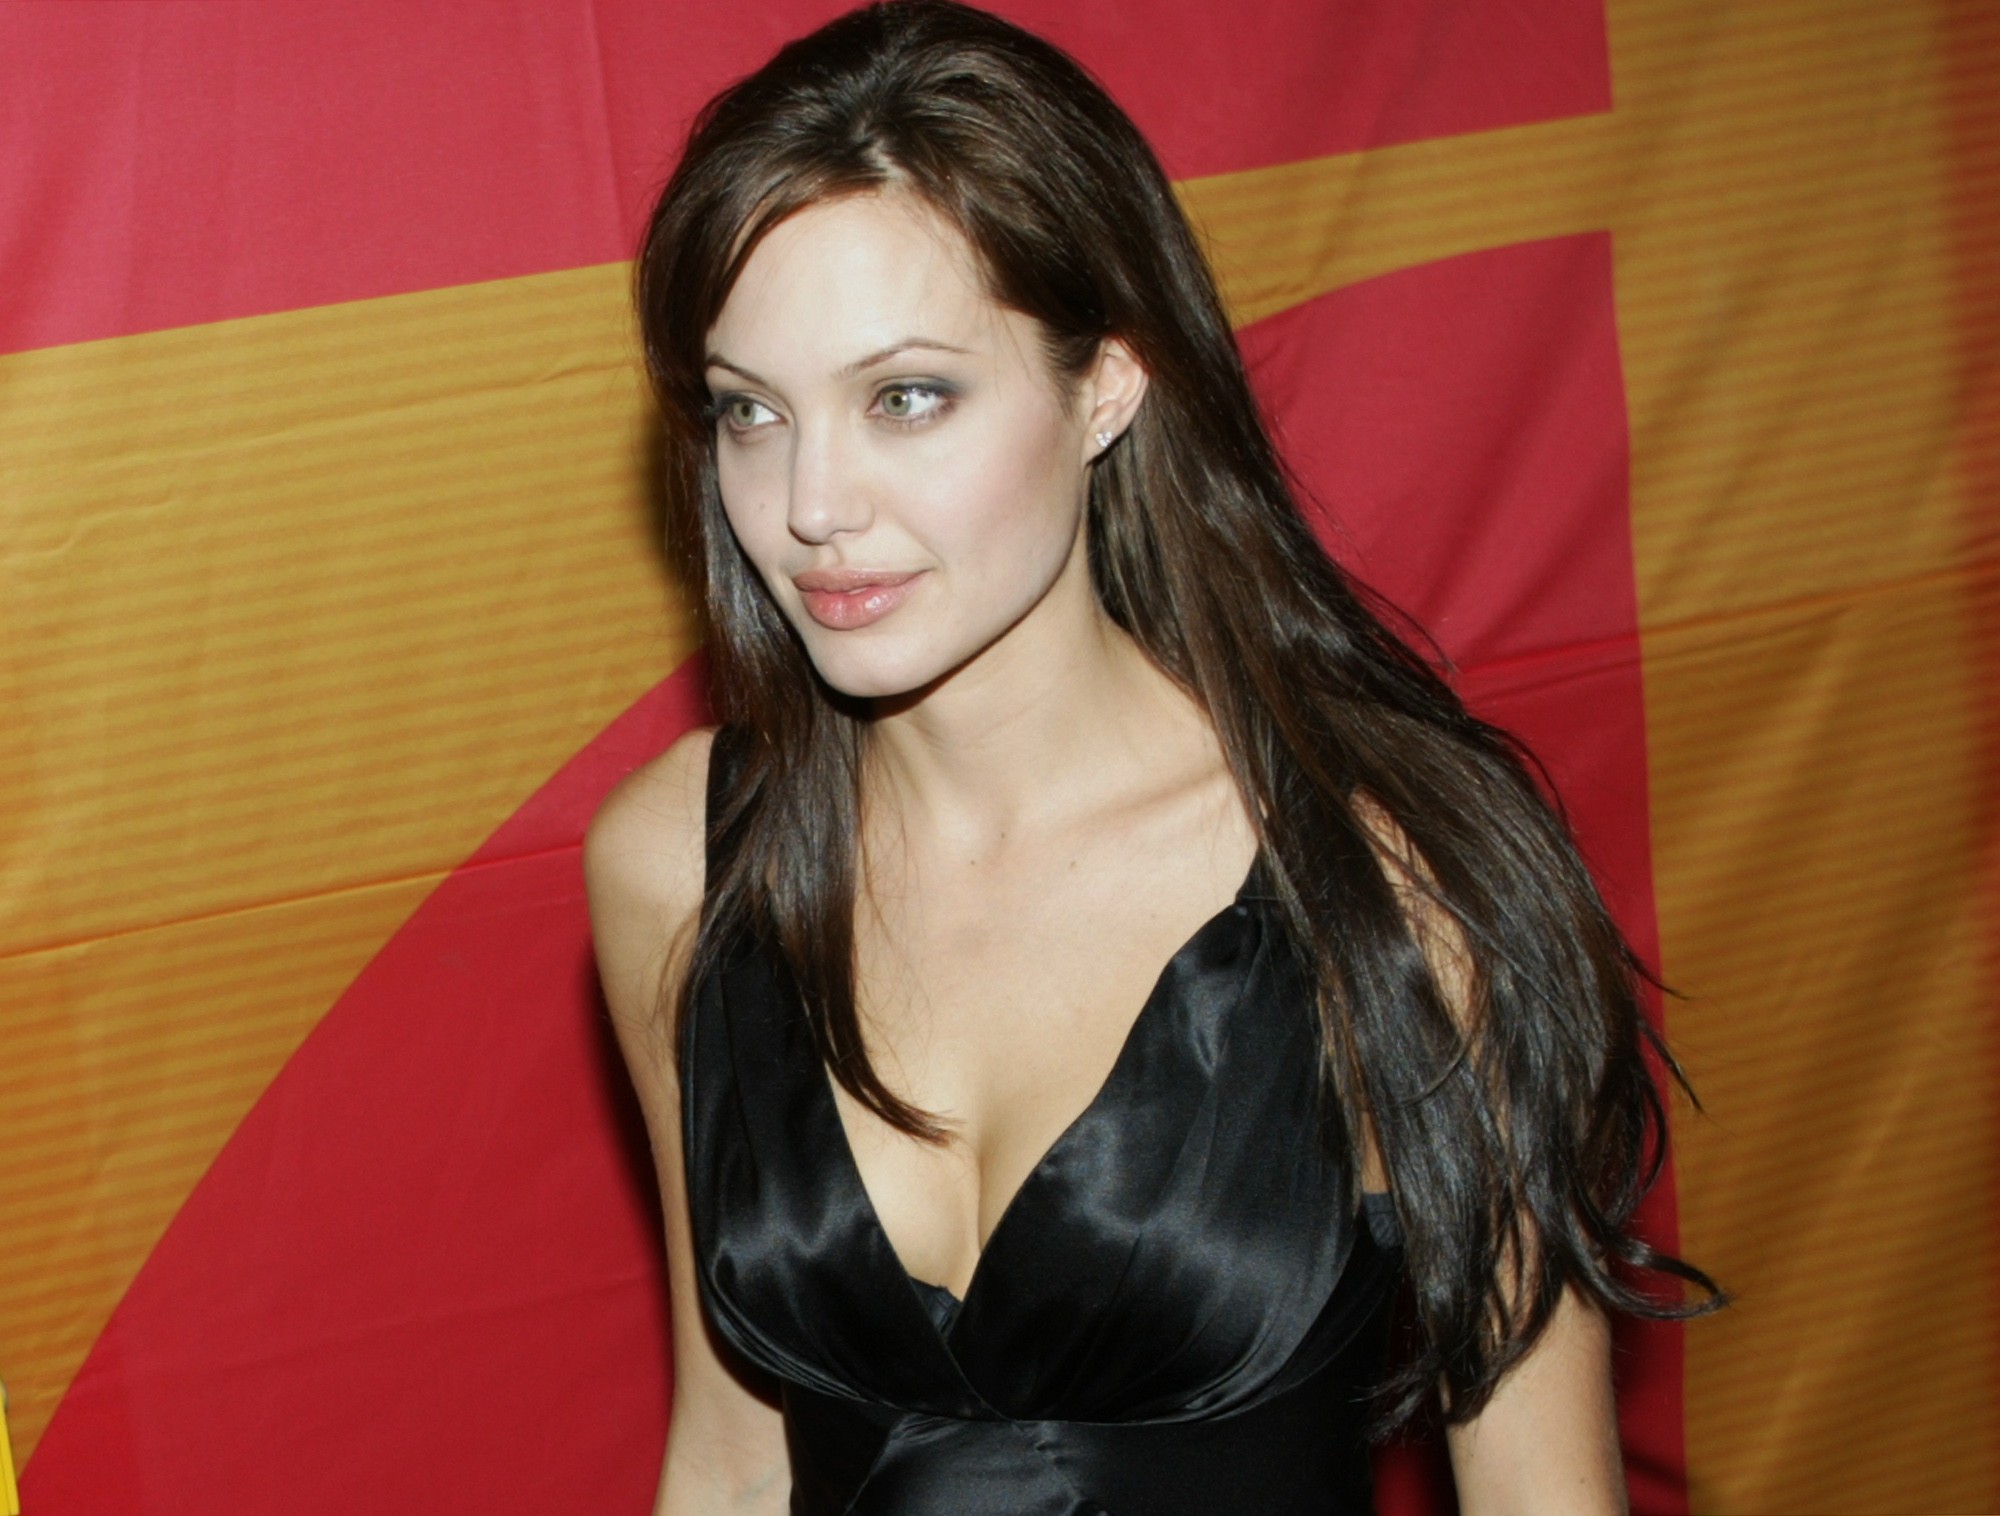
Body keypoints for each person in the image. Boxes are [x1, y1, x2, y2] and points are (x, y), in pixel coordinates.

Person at [585, 3, 1719, 1512]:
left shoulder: (1394, 882)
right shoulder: (679, 864)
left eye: (906, 397)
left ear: (1106, 385)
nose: (810, 503)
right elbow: (733, 1468)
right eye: (751, 412)